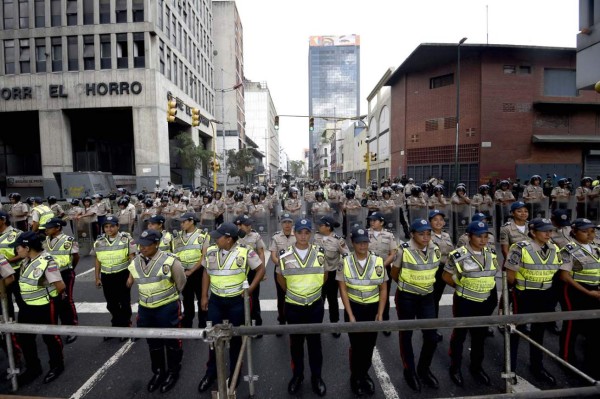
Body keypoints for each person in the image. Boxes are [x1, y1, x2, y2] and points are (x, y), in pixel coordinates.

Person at [197, 223, 265, 393]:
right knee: (213, 338)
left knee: (235, 338)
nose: (215, 238)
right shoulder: (212, 250)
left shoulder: (245, 251)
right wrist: (204, 295)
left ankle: (235, 373)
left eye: (218, 236)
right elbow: (206, 272)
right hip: (216, 301)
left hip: (236, 301)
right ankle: (211, 372)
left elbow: (261, 268)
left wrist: (249, 289)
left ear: (228, 239)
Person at [127, 229, 186, 393]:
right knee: (153, 342)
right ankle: (159, 371)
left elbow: (180, 282)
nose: (142, 248)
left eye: (146, 245)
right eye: (141, 245)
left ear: (156, 244)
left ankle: (173, 371)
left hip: (167, 307)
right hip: (146, 308)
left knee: (171, 340)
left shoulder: (170, 261)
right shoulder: (135, 262)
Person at [505, 218, 561, 385]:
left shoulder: (554, 248)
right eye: (544, 230)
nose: (548, 234)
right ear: (532, 232)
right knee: (516, 332)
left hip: (544, 296)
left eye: (550, 230)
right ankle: (510, 369)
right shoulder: (519, 248)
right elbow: (510, 276)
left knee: (538, 333)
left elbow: (556, 271)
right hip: (524, 295)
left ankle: (537, 366)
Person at [443, 221, 498, 387]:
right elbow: (446, 277)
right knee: (459, 336)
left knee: (479, 336)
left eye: (485, 236)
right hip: (464, 302)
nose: (483, 240)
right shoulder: (458, 255)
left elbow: (491, 276)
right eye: (478, 236)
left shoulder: (491, 253)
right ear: (469, 236)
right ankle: (455, 367)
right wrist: (461, 286)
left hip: (484, 301)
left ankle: (476, 367)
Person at [276, 218, 327, 397]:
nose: (303, 236)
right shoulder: (284, 254)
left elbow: (324, 275)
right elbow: (280, 277)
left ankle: (317, 377)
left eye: (307, 232)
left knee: (315, 344)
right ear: (295, 234)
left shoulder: (320, 253)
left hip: (314, 305)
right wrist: (293, 292)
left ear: (310, 234)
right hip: (294, 305)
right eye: (300, 232)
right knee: (296, 344)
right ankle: (297, 376)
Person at [390, 218, 441, 392]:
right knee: (407, 335)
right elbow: (394, 273)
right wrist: (407, 287)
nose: (426, 237)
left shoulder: (435, 249)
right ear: (412, 234)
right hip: (407, 297)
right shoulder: (403, 250)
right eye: (421, 234)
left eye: (428, 233)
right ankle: (409, 371)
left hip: (427, 296)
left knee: (432, 338)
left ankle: (423, 369)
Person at [337, 226, 387, 396]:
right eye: (359, 243)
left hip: (372, 308)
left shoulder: (378, 261)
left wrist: (380, 313)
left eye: (365, 242)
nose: (363, 246)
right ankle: (356, 377)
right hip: (354, 308)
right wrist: (350, 314)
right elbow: (343, 290)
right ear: (353, 243)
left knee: (370, 345)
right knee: (357, 345)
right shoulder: (344, 261)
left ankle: (364, 373)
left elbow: (383, 289)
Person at [11, 231, 65, 385]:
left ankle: (56, 366)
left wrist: (46, 291)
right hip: (27, 307)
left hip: (45, 306)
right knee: (25, 339)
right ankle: (33, 368)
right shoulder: (26, 261)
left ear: (27, 247)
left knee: (50, 338)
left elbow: (60, 286)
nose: (17, 251)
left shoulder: (47, 261)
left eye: (18, 247)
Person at [558, 218, 600, 380]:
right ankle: (566, 357)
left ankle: (592, 360)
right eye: (585, 231)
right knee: (572, 325)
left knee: (594, 326)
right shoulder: (569, 249)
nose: (590, 234)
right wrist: (587, 292)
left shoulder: (596, 247)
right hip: (576, 290)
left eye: (592, 231)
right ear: (574, 232)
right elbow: (564, 276)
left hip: (595, 290)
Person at [94, 215, 136, 338]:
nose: (109, 229)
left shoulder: (126, 239)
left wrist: (131, 277)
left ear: (117, 226)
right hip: (107, 276)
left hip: (122, 275)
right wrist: (97, 277)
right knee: (111, 304)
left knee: (124, 303)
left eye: (112, 226)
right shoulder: (99, 241)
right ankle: (116, 325)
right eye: (106, 227)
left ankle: (125, 326)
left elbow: (132, 259)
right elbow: (97, 260)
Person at [43, 218, 79, 344]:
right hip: (51, 274)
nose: (46, 229)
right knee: (54, 300)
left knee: (67, 301)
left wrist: (71, 269)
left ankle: (72, 328)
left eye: (49, 227)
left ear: (57, 228)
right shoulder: (46, 239)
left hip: (65, 272)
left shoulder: (68, 240)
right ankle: (59, 327)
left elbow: (75, 256)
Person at [171, 212, 210, 328]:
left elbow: (204, 257)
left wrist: (192, 270)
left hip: (198, 272)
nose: (181, 224)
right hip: (183, 273)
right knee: (187, 300)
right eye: (181, 222)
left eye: (184, 222)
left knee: (201, 297)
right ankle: (187, 323)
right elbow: (174, 255)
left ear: (192, 221)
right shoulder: (177, 237)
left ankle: (203, 324)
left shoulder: (203, 236)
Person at [313, 215, 348, 337]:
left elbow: (347, 255)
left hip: (332, 274)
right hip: (317, 274)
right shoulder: (315, 237)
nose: (318, 226)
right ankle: (318, 325)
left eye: (321, 224)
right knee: (318, 300)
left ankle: (335, 324)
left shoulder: (338, 240)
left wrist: (341, 269)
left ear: (328, 227)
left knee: (332, 300)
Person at [367, 212, 398, 336]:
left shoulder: (389, 235)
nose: (372, 222)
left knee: (384, 295)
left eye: (375, 220)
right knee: (369, 295)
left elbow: (393, 253)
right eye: (371, 220)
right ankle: (370, 321)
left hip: (384, 269)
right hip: (367, 270)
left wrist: (383, 265)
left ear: (382, 222)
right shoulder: (364, 233)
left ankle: (384, 321)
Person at [234, 214, 266, 333]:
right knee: (238, 298)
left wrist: (262, 270)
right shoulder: (233, 236)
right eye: (246, 225)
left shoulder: (255, 235)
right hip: (237, 271)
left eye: (249, 224)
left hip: (253, 270)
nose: (249, 226)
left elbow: (261, 252)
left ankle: (256, 324)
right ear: (239, 225)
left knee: (254, 297)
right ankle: (240, 323)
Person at [268, 213, 296, 332]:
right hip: (280, 271)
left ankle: (293, 319)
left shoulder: (298, 235)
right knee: (281, 296)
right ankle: (282, 319)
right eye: (284, 222)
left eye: (289, 222)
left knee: (294, 294)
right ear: (281, 223)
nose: (287, 225)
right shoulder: (276, 237)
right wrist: (278, 263)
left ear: (292, 223)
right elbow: (273, 255)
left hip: (295, 271)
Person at [429, 210, 454, 326]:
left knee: (437, 298)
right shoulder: (427, 236)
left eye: (441, 220)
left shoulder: (446, 235)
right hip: (433, 270)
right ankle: (431, 326)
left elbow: (451, 252)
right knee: (432, 299)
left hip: (445, 270)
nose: (438, 222)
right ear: (430, 222)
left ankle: (433, 324)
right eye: (435, 220)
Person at [0, 211, 24, 319]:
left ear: (3, 220)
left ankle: (24, 329)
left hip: (17, 271)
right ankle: (10, 330)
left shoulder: (17, 233)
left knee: (21, 300)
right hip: (1, 274)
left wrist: (6, 262)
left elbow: (24, 253)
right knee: (4, 301)